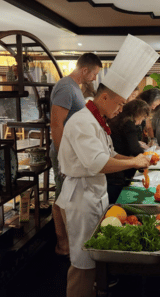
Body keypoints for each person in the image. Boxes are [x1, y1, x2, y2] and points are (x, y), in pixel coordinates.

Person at [55, 34, 159, 297]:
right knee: (82, 263)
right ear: (104, 98)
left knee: (94, 259)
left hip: (94, 195)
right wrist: (135, 160)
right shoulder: (81, 122)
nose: (121, 109)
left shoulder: (97, 121)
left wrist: (136, 160)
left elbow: (111, 154)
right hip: (80, 198)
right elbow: (98, 163)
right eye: (120, 103)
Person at [50, 52, 102, 256]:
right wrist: (64, 158)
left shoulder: (76, 88)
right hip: (64, 154)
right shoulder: (66, 87)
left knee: (66, 196)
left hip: (70, 154)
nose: (95, 78)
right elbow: (56, 124)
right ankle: (63, 245)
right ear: (84, 70)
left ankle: (69, 243)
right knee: (61, 197)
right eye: (94, 74)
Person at [106, 99, 150, 203]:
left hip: (114, 162)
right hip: (116, 171)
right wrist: (146, 158)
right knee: (116, 202)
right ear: (138, 113)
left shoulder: (119, 119)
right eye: (143, 117)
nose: (142, 121)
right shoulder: (128, 123)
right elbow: (134, 148)